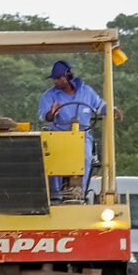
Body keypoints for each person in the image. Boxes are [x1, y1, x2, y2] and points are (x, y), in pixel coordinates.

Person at [38, 60, 108, 199]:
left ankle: (78, 192)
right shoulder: (49, 95)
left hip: (82, 135)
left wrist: (113, 111)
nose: (55, 81)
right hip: (58, 135)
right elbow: (44, 116)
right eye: (54, 79)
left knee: (86, 157)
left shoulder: (86, 92)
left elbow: (100, 106)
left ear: (67, 76)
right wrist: (52, 114)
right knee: (54, 161)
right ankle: (55, 195)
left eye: (58, 78)